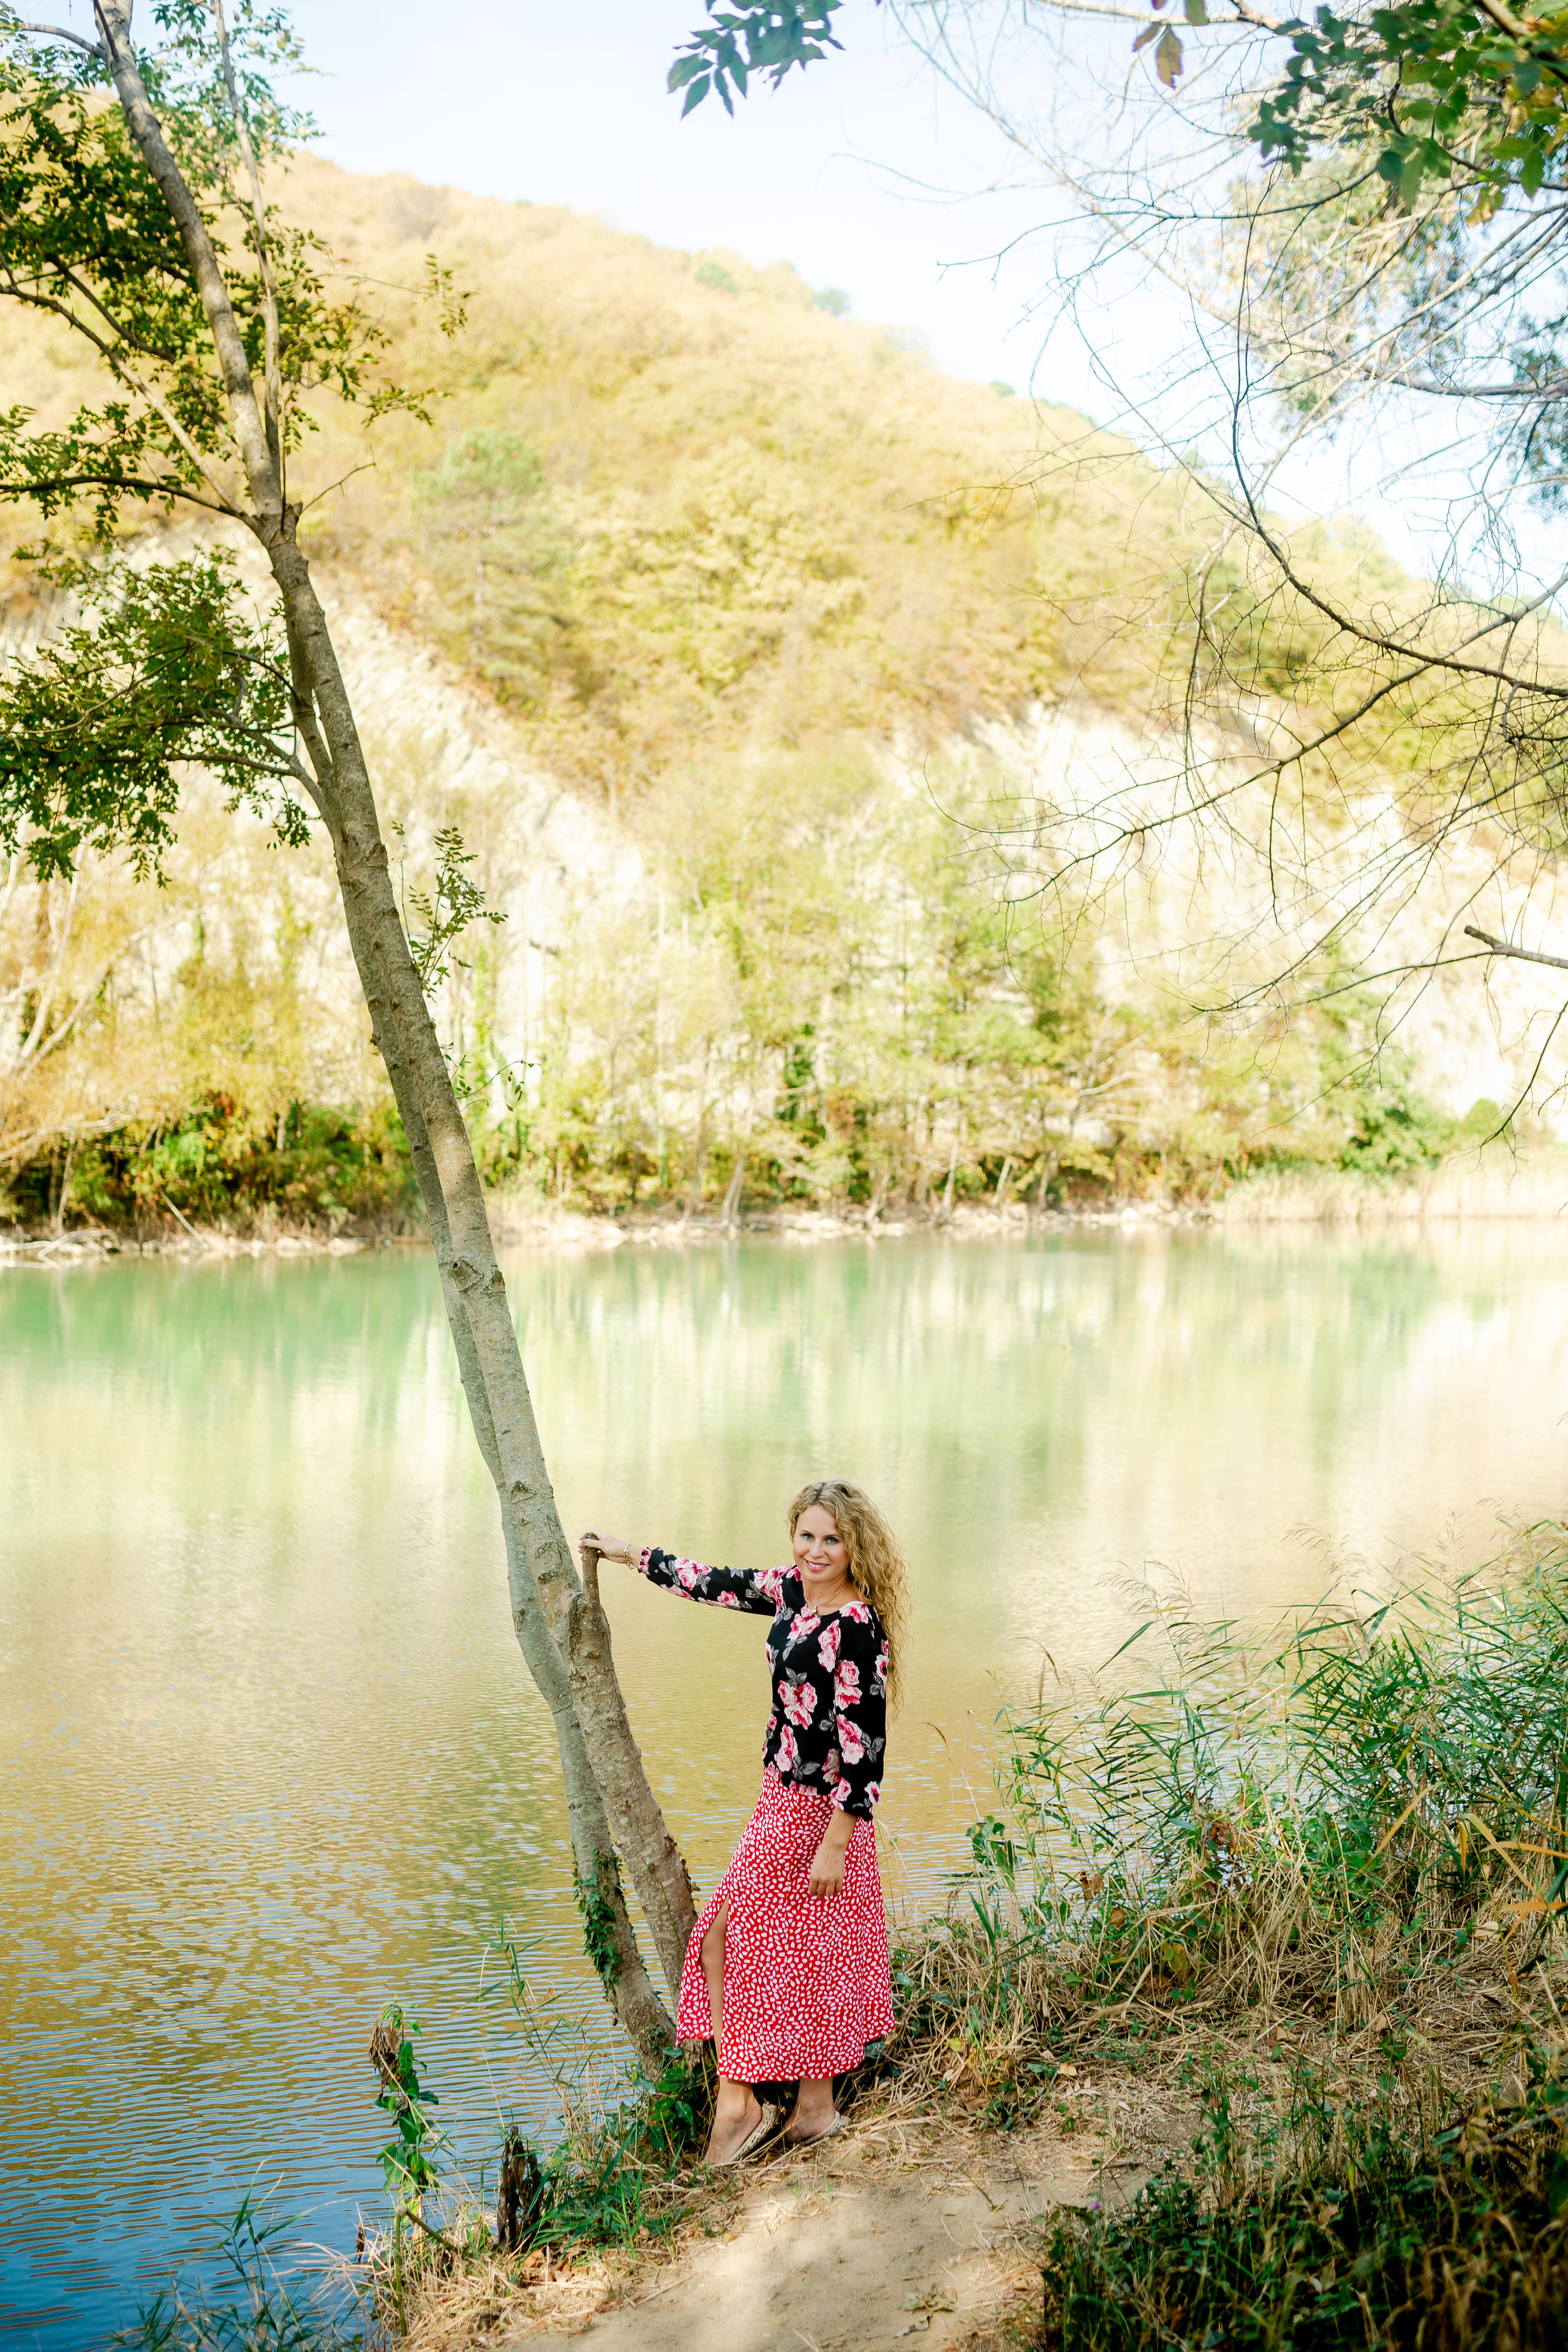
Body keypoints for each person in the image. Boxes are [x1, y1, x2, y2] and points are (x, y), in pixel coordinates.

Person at [581, 1479, 909, 2165]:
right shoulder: (795, 1592)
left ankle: (741, 2102)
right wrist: (625, 1554)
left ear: (856, 1547)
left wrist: (836, 1843)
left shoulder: (856, 1626)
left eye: (832, 1539)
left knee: (725, 1938)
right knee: (808, 1949)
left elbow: (865, 1747)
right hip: (778, 1795)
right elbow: (713, 1582)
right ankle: (813, 2110)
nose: (815, 1550)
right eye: (806, 1535)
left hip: (818, 1813)